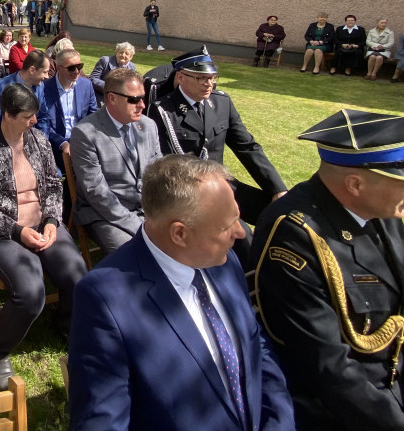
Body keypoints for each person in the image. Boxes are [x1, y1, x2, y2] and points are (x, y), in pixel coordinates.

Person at [252, 109, 404, 431]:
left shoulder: (382, 211)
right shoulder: (295, 235)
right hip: (338, 413)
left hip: (402, 388)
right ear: (355, 183)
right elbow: (326, 366)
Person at [68, 154, 294, 431]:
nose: (241, 233)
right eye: (226, 226)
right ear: (180, 234)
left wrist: (279, 422)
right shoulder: (105, 300)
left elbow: (255, 344)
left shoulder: (224, 260)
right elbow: (102, 421)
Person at [0, 83, 88, 390]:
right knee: (30, 291)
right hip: (2, 233)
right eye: (28, 116)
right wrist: (17, 231)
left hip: (42, 224)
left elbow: (54, 184)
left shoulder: (38, 140)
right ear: (8, 115)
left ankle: (65, 325)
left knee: (77, 276)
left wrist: (50, 220)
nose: (34, 121)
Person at [147, 47, 286, 226]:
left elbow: (246, 146)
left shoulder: (221, 102)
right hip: (189, 191)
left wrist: (277, 188)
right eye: (201, 78)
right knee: (241, 236)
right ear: (180, 78)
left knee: (280, 214)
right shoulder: (163, 110)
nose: (209, 83)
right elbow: (165, 163)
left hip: (221, 183)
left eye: (212, 77)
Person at [70, 68, 161, 255]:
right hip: (105, 215)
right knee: (134, 256)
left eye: (143, 98)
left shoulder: (148, 126)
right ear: (112, 98)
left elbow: (159, 173)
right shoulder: (86, 133)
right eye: (134, 99)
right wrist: (139, 226)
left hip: (149, 209)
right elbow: (96, 192)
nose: (142, 105)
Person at [39, 48, 97, 167]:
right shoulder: (43, 89)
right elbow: (42, 123)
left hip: (82, 141)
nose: (77, 71)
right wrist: (62, 143)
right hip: (54, 144)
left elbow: (93, 116)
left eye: (79, 66)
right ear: (59, 68)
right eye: (71, 68)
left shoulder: (86, 85)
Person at [0, 48, 50, 132]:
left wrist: (41, 141)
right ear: (32, 70)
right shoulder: (0, 88)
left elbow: (43, 117)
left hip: (34, 140)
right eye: (45, 72)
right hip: (6, 141)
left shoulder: (39, 86)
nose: (47, 77)